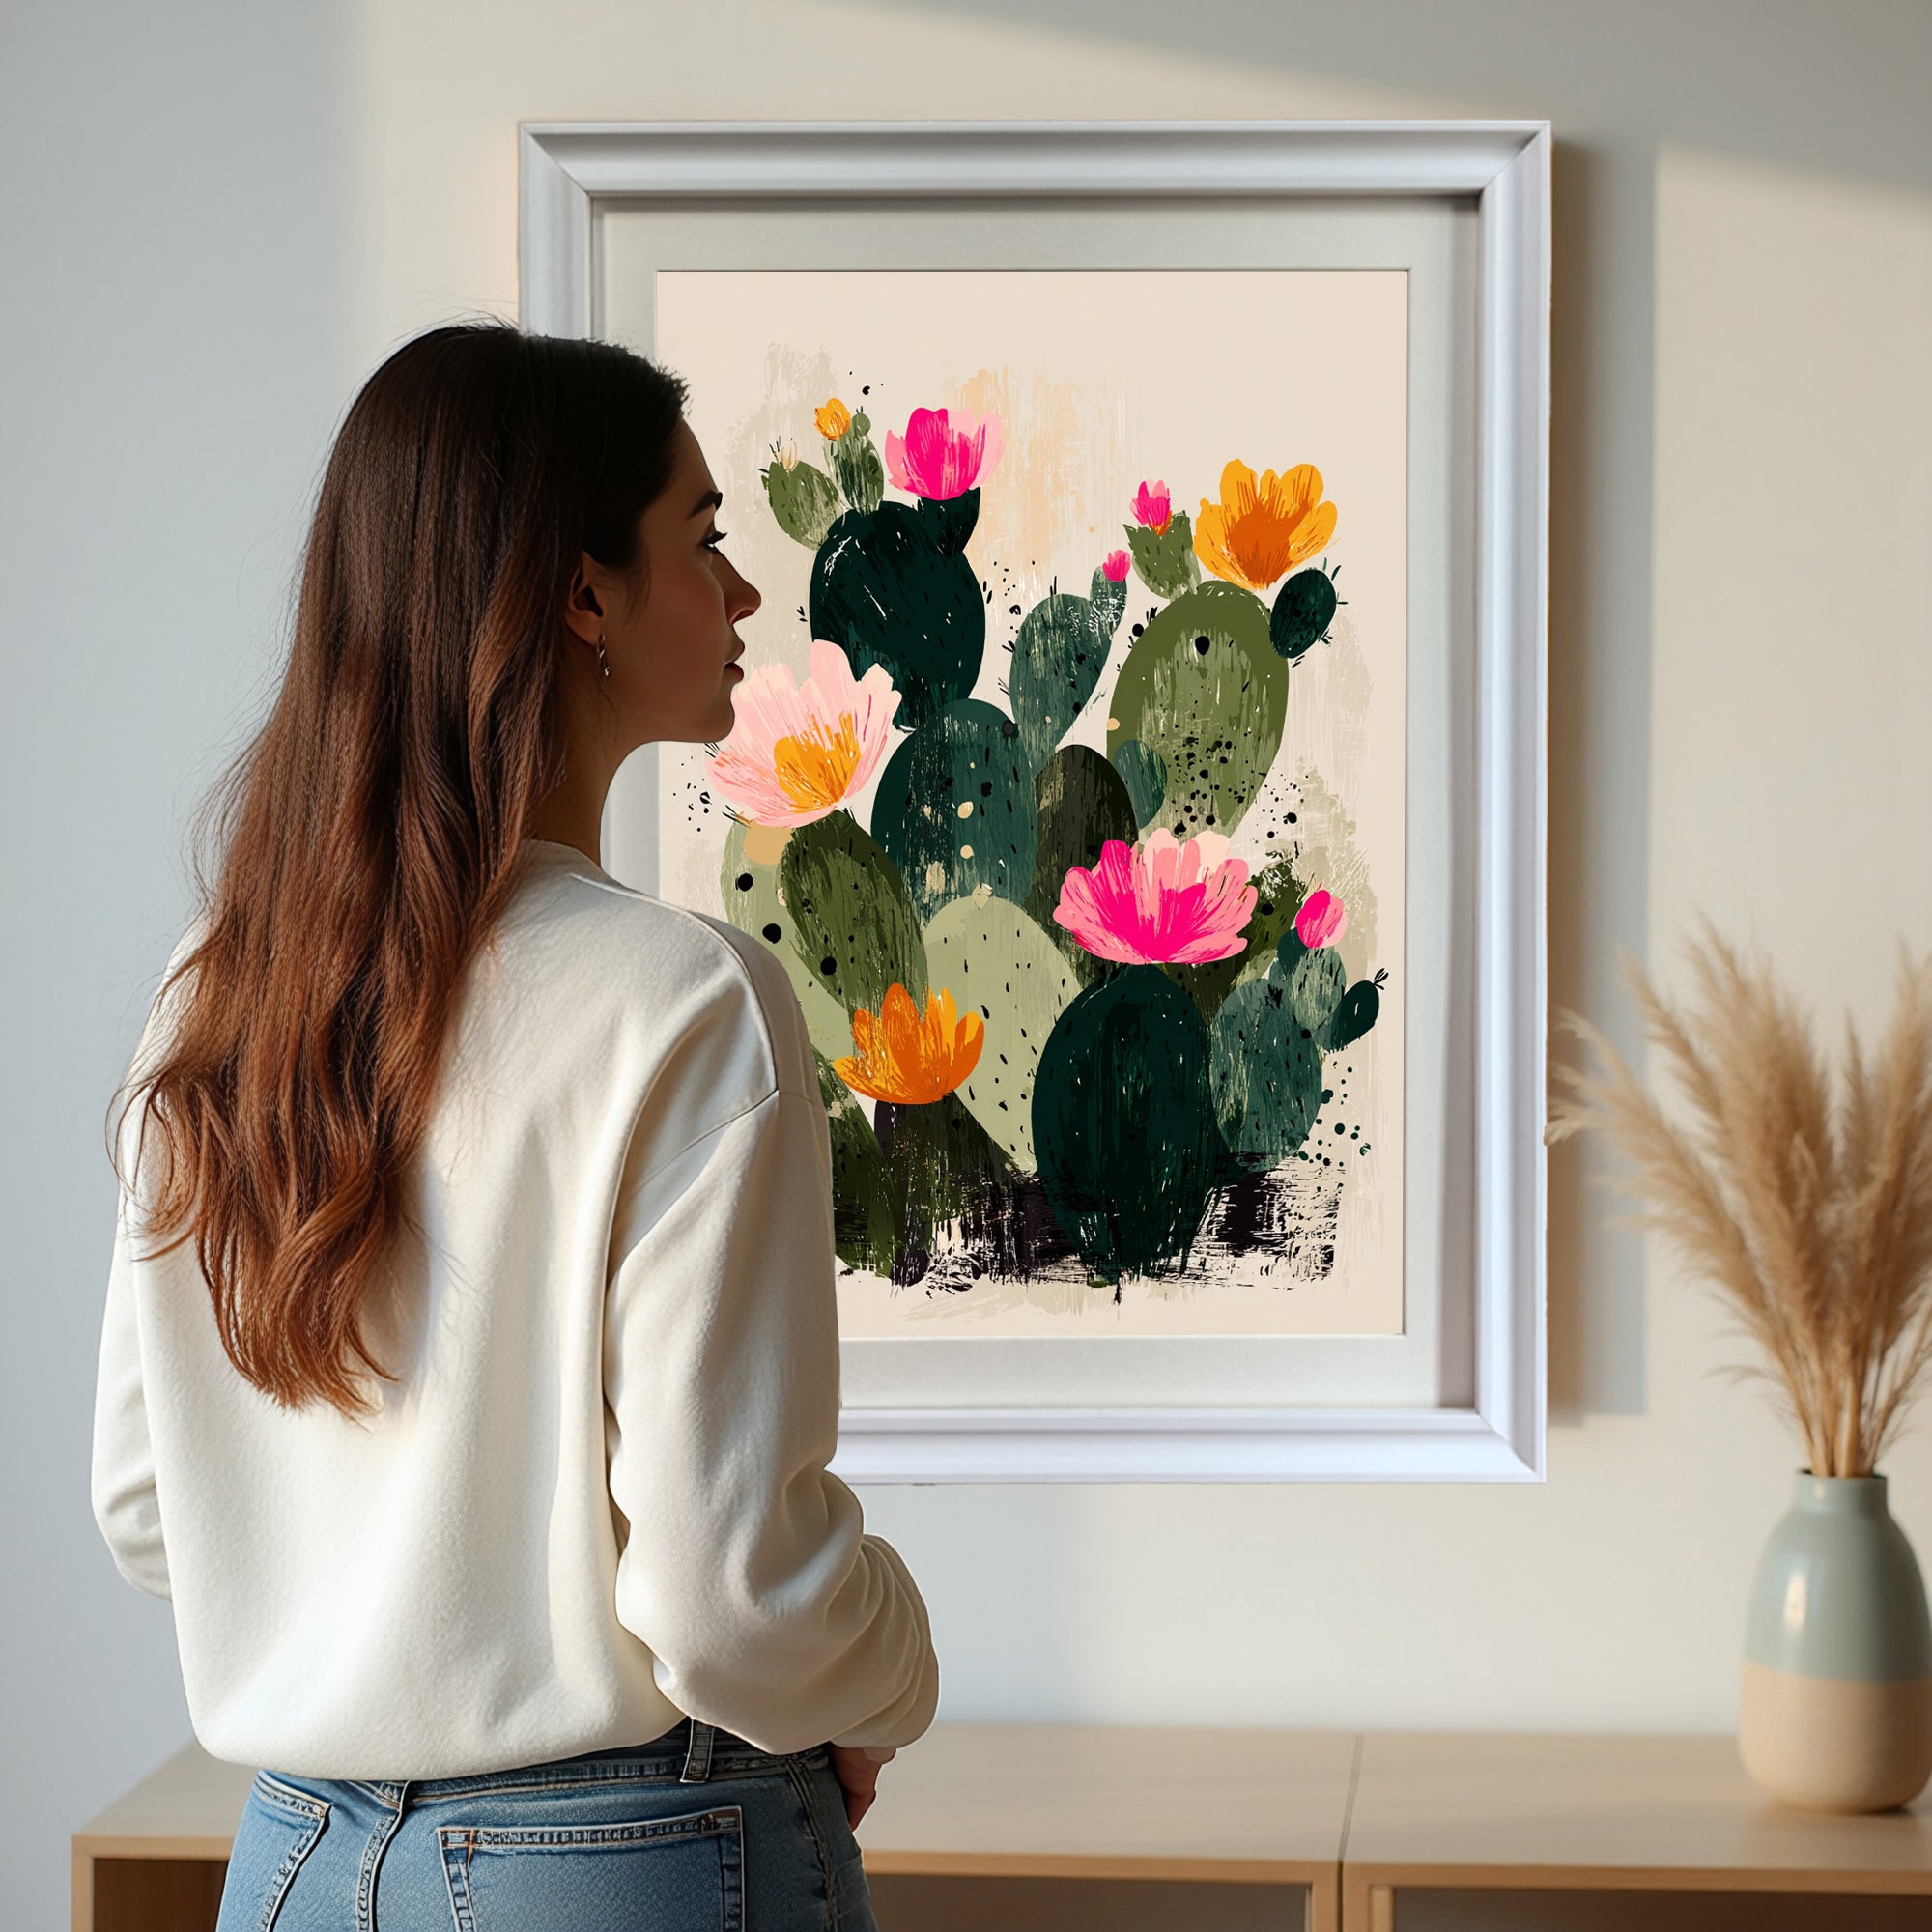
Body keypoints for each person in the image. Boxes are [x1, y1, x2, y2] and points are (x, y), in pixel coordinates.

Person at [89, 321, 939, 1932]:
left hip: (288, 1865)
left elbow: (150, 1509)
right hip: (628, 1863)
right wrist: (892, 1663)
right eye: (703, 541)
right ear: (583, 593)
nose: (746, 596)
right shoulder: (686, 1000)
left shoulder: (218, 992)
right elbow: (729, 1598)